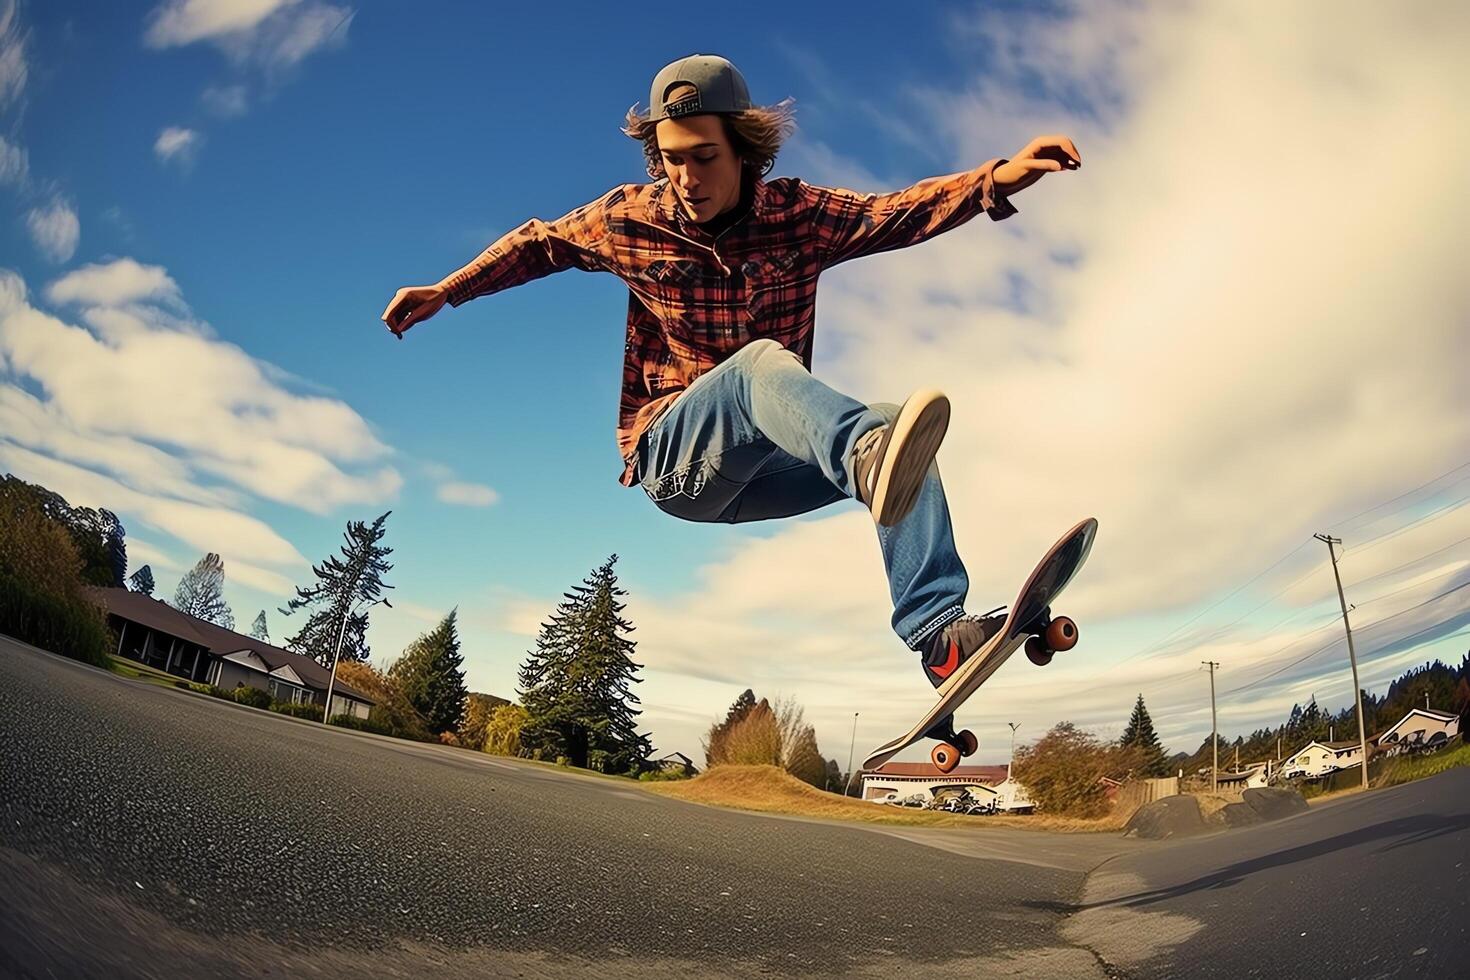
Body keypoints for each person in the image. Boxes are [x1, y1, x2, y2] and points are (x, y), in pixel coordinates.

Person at [382, 54, 1080, 729]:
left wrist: (998, 179)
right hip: (675, 463)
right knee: (761, 367)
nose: (686, 176)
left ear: (744, 149)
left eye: (704, 156)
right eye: (672, 158)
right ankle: (862, 456)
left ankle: (938, 636)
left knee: (901, 427)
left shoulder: (799, 216)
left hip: (767, 468)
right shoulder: (631, 219)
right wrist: (450, 289)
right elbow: (541, 243)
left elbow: (894, 213)